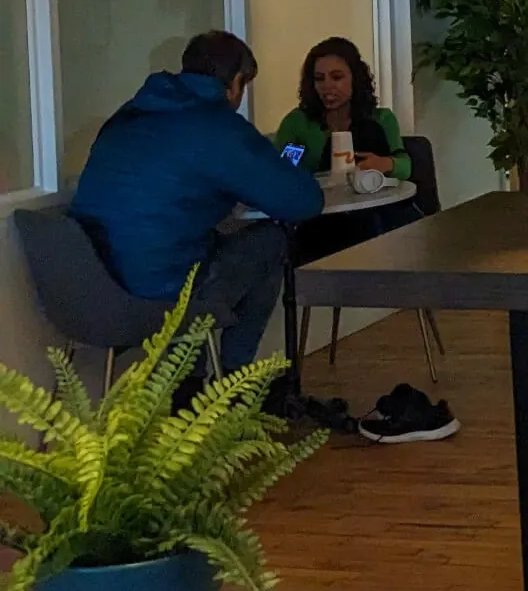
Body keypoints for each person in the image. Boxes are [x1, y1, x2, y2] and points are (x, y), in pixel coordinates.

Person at [69, 31, 323, 376]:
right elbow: (303, 202)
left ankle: (197, 380)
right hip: (160, 293)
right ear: (235, 83)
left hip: (89, 287)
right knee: (271, 239)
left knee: (208, 244)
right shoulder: (218, 127)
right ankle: (230, 387)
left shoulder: (128, 115)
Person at [274, 37, 411, 181]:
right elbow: (280, 172)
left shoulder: (381, 119)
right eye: (319, 79)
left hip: (375, 198)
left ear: (356, 79)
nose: (327, 86)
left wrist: (386, 164)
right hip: (322, 199)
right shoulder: (298, 124)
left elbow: (405, 168)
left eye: (336, 77)